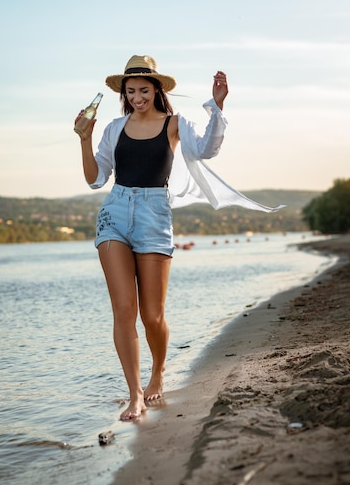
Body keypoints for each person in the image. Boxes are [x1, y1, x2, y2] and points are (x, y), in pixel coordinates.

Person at [74, 55, 283, 421]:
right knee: (124, 311)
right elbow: (95, 179)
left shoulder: (174, 123)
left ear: (156, 90)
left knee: (151, 315)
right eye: (130, 91)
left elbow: (206, 150)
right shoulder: (113, 128)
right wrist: (85, 138)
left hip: (154, 216)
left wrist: (217, 107)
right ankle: (134, 394)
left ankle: (158, 372)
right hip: (115, 213)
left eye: (143, 90)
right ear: (123, 93)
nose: (136, 97)